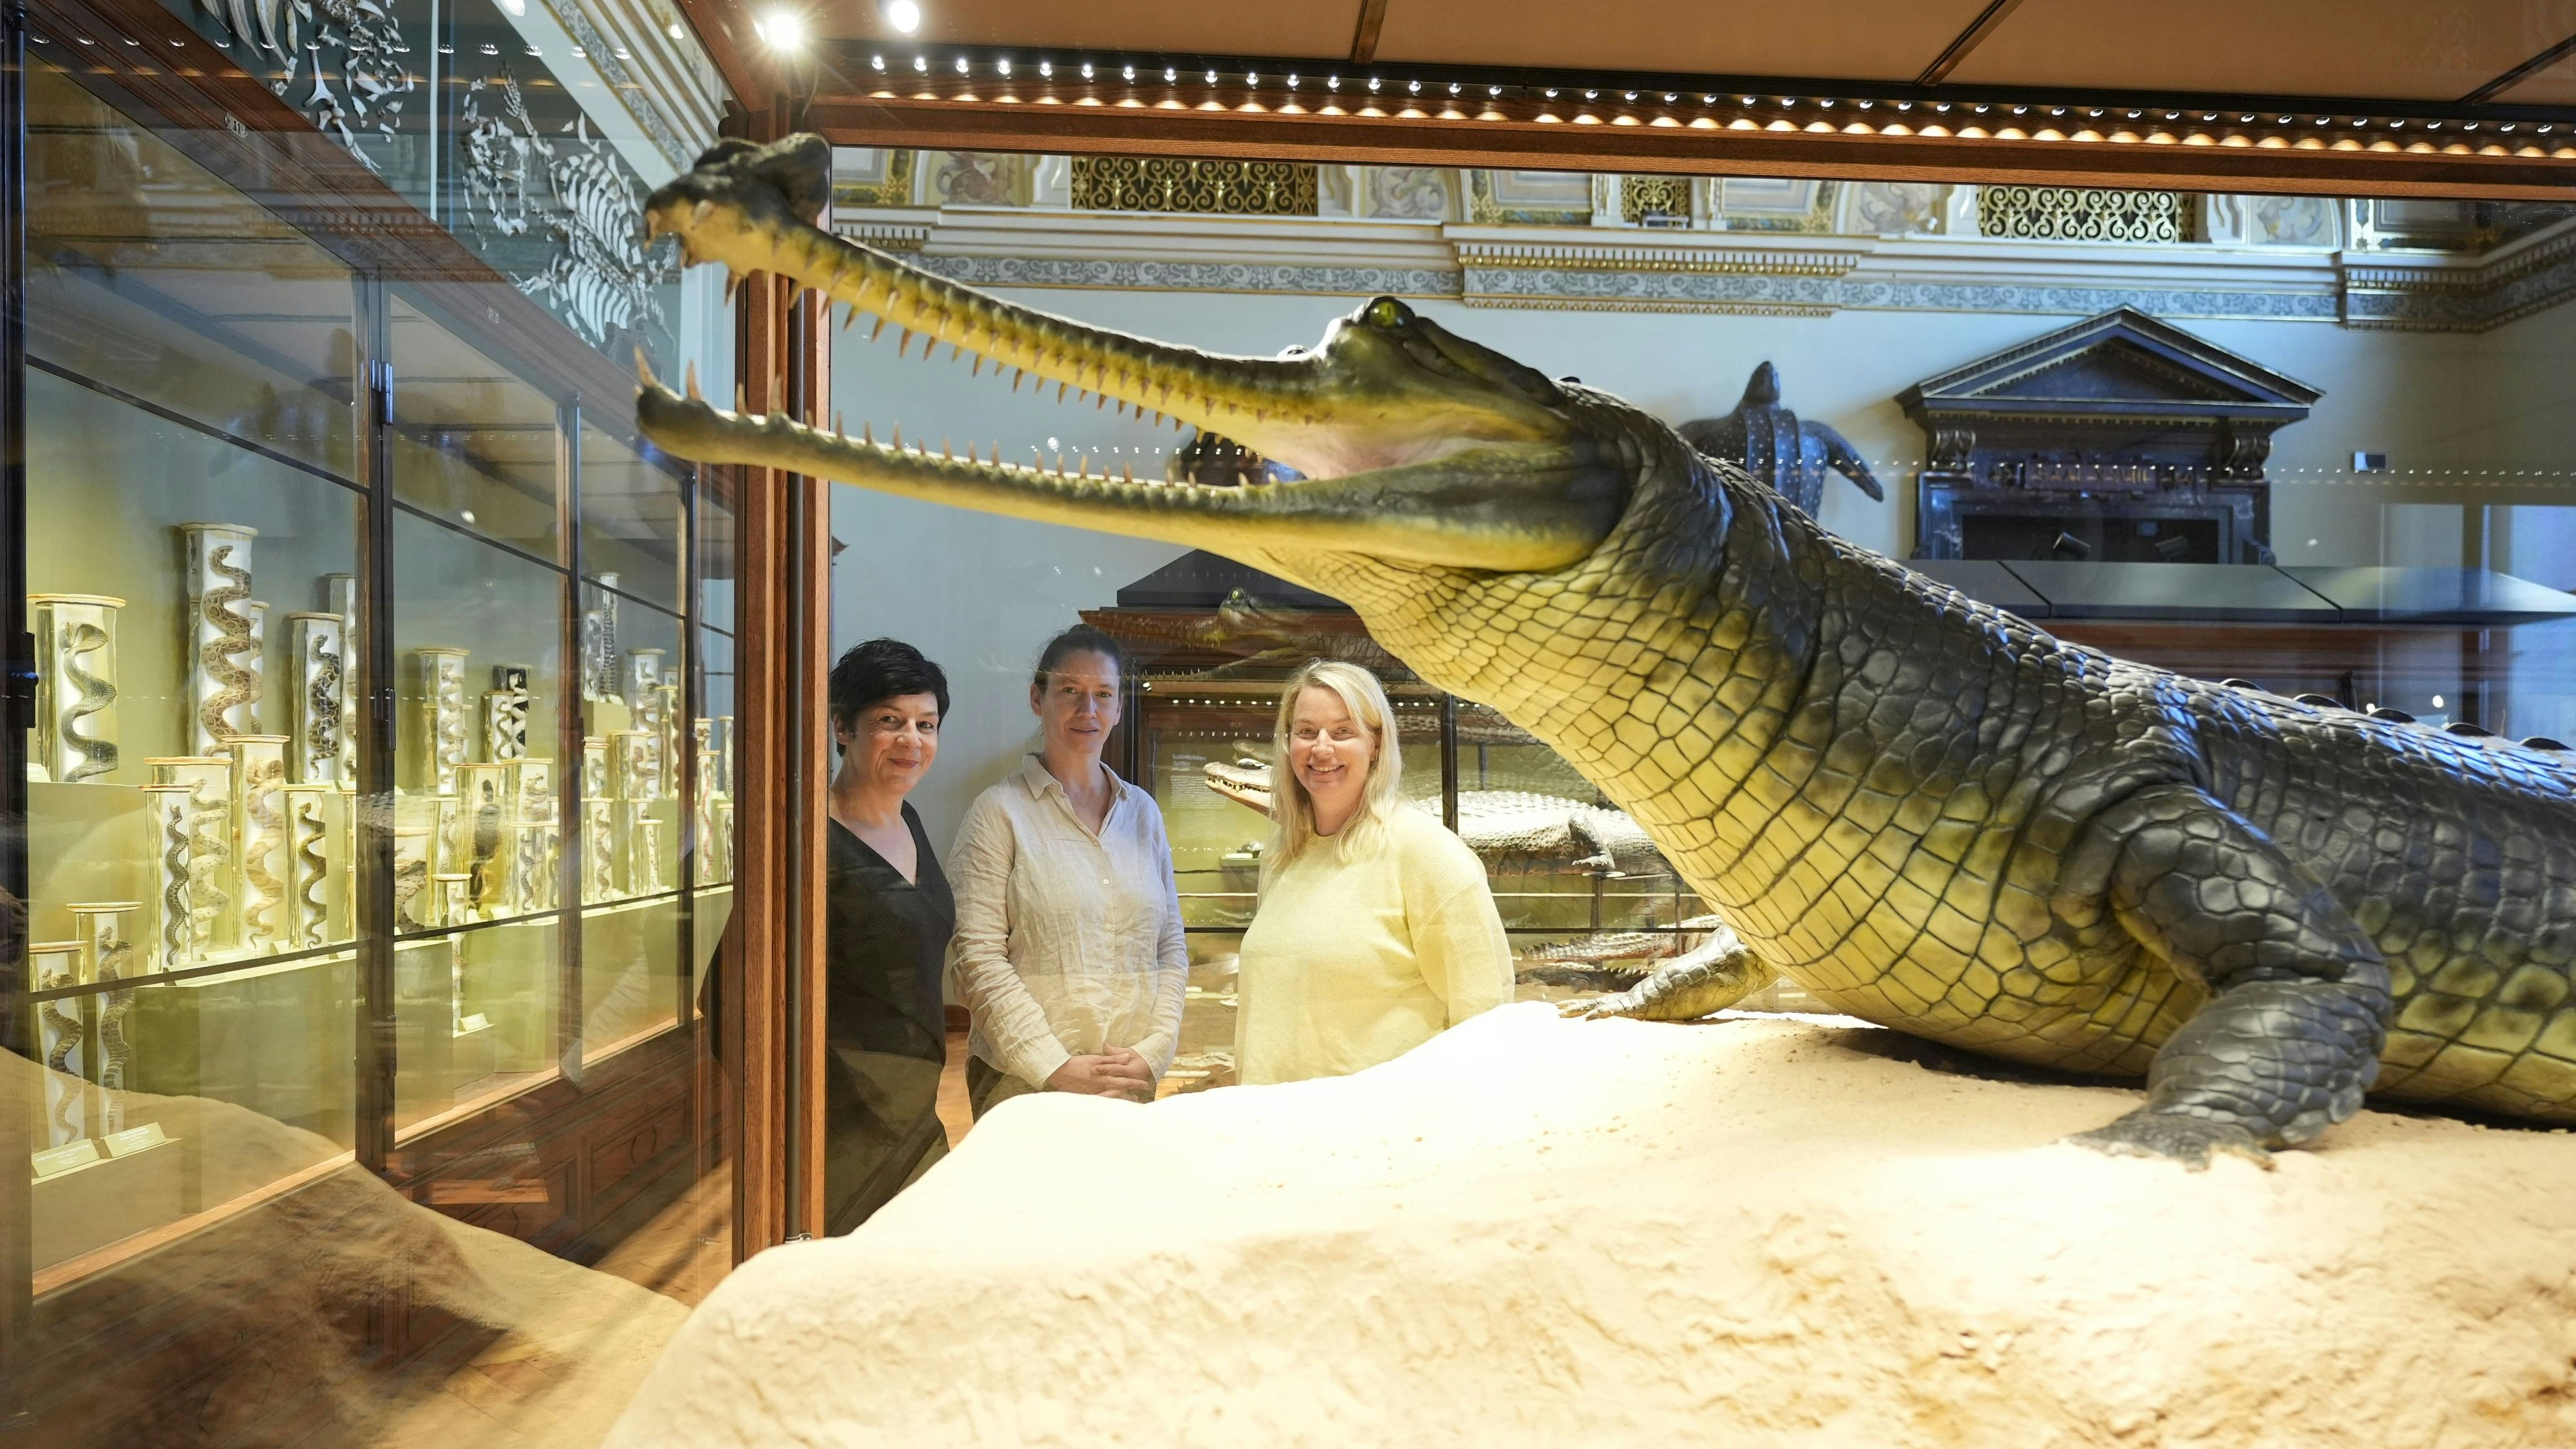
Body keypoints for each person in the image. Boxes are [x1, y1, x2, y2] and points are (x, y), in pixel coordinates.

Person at [1234, 661, 1513, 1085]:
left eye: (1343, 731)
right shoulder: (1283, 850)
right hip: (1274, 1127)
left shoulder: (1426, 851)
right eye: (1307, 731)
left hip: (1381, 1133)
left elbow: (1484, 1017)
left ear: (1377, 744)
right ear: (1288, 742)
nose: (1321, 748)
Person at [947, 625, 1188, 1115]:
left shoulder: (1142, 813)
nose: (1089, 711)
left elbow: (1170, 944)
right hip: (1023, 1087)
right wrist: (1052, 1065)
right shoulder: (999, 812)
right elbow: (978, 956)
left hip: (1127, 1082)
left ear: (1120, 708)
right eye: (1070, 692)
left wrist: (1153, 1052)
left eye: (1103, 695)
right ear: (1038, 699)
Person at [819, 638, 955, 1233]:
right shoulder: (809, 837)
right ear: (842, 727)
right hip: (843, 1119)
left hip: (913, 1099)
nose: (912, 741)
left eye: (927, 724)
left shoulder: (910, 819)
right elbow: (733, 995)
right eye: (889, 722)